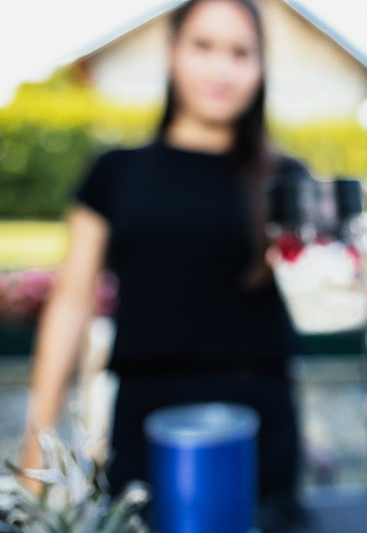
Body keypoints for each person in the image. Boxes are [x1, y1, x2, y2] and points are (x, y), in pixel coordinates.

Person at [20, 0, 305, 525]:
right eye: (203, 46)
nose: (221, 68)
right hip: (145, 426)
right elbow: (71, 303)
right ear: (173, 53)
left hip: (258, 430)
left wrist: (341, 268)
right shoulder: (115, 173)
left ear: (260, 68)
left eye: (240, 52)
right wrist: (35, 447)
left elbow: (324, 291)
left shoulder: (286, 178)